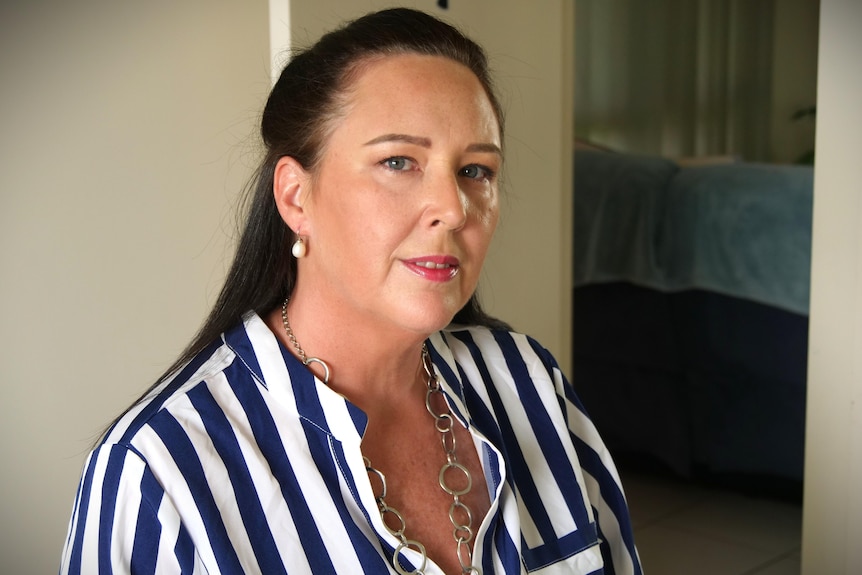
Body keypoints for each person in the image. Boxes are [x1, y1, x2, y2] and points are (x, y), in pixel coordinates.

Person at [59, 8, 641, 575]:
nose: (452, 207)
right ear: (295, 198)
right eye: (398, 161)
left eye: (475, 171)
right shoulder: (161, 476)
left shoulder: (528, 382)